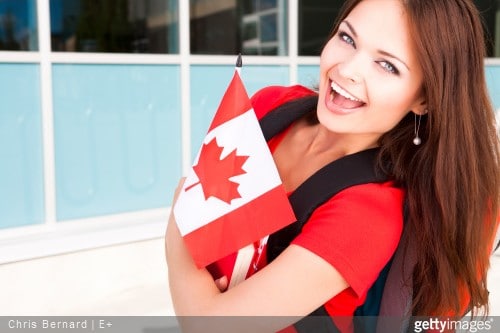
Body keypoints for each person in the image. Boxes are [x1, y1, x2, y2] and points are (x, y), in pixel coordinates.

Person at [165, 0, 500, 332]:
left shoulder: (368, 214)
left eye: (387, 65)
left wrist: (178, 223)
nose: (348, 69)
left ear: (423, 99)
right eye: (347, 38)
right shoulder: (270, 107)